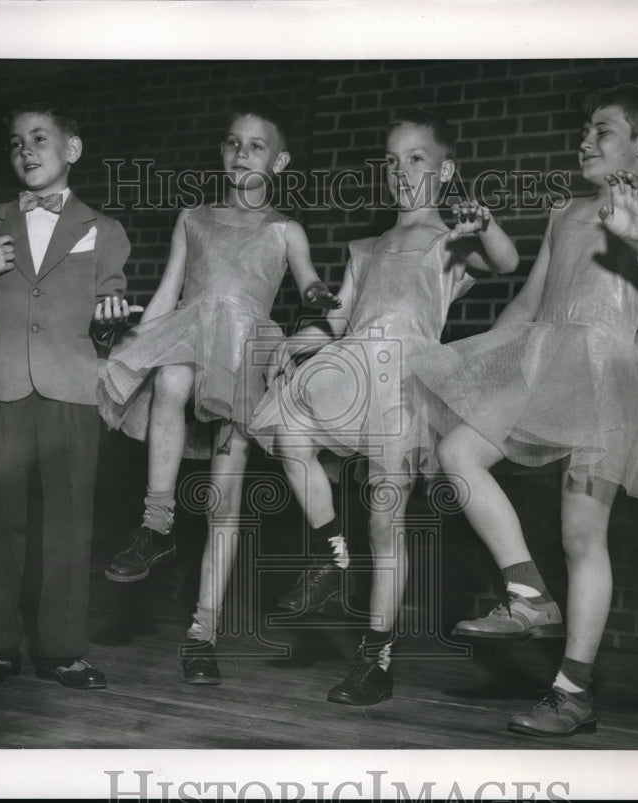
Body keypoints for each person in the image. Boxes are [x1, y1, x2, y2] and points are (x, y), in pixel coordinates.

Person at [411, 84, 638, 736]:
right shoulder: (565, 212)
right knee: (457, 452)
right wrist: (465, 357)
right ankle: (526, 593)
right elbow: (527, 306)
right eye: (585, 128)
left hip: (609, 377)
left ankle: (572, 691)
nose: (585, 139)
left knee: (581, 535)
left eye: (601, 129)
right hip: (543, 364)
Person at [249, 110, 519, 705]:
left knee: (384, 518)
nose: (401, 171)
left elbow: (506, 264)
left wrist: (485, 225)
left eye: (416, 158)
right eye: (392, 161)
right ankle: (330, 554)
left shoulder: (452, 239)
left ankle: (376, 660)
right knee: (288, 436)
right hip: (350, 367)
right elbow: (340, 316)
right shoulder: (366, 246)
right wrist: (300, 341)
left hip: (404, 384)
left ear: (445, 170)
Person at [97, 99, 340, 684]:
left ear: (279, 161)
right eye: (232, 143)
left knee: (222, 503)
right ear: (221, 152)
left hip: (243, 359)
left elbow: (308, 283)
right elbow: (167, 295)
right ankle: (155, 526)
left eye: (256, 146)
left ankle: (203, 632)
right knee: (172, 375)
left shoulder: (285, 229)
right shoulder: (194, 217)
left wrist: (318, 301)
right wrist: (134, 345)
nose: (241, 153)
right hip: (190, 332)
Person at [0, 102, 134, 690]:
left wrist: (108, 323)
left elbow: (110, 317)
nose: (26, 150)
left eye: (39, 138)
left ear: (72, 150)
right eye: (15, 142)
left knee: (69, 521)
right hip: (1, 386)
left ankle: (62, 650)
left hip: (70, 389)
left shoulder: (104, 231)